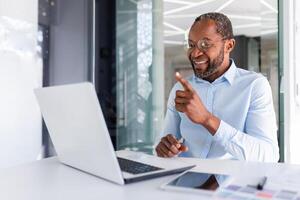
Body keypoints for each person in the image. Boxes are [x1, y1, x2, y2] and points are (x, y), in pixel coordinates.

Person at [155, 12, 279, 162]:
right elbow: (163, 145)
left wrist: (207, 119)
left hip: (229, 184)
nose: (195, 53)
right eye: (191, 45)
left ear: (229, 45)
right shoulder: (179, 89)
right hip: (180, 181)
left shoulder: (254, 86)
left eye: (205, 44)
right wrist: (164, 148)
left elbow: (268, 156)